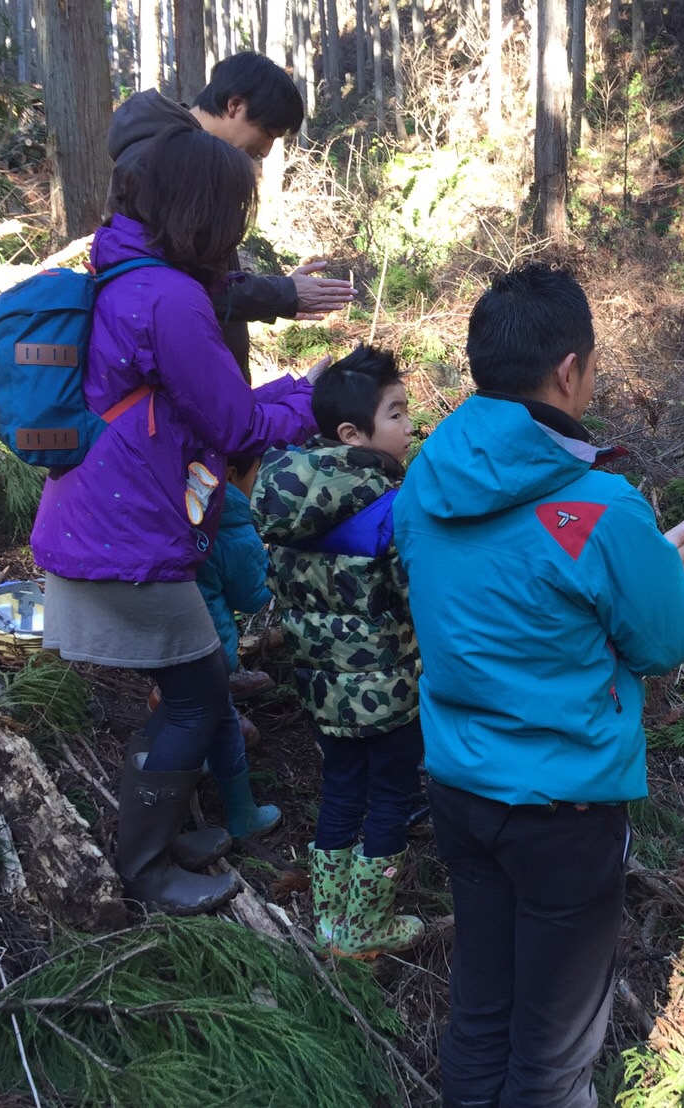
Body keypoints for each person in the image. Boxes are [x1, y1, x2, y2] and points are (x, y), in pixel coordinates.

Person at [394, 264, 684, 1107]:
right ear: (570, 370)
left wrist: (648, 562)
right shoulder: (600, 507)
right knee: (551, 1054)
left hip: (461, 787)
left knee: (481, 1011)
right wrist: (668, 568)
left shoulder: (423, 482)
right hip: (564, 809)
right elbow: (666, 638)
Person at [30, 125, 328, 917]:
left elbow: (204, 414)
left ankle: (160, 837)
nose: (238, 224)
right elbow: (237, 428)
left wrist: (297, 391)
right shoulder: (168, 297)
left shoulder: (125, 273)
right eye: (234, 206)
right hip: (126, 537)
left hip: (105, 516)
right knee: (199, 695)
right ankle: (147, 867)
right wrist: (315, 398)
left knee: (189, 690)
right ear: (201, 210)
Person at [251, 344, 426, 959]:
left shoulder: (291, 504)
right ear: (353, 432)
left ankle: (329, 918)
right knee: (392, 798)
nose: (410, 426)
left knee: (343, 789)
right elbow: (418, 597)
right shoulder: (390, 511)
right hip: (388, 691)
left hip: (322, 688)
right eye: (397, 414)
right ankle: (365, 927)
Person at [106, 51, 355, 379]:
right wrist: (285, 294)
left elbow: (200, 278)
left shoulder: (187, 156)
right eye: (268, 133)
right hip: (175, 386)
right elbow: (190, 291)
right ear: (234, 106)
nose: (265, 151)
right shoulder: (168, 162)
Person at [192, 455, 275, 744]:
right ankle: (217, 718)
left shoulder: (186, 503)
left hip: (165, 627)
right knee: (201, 700)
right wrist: (273, 566)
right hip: (207, 642)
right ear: (229, 475)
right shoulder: (234, 526)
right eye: (257, 474)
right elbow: (251, 597)